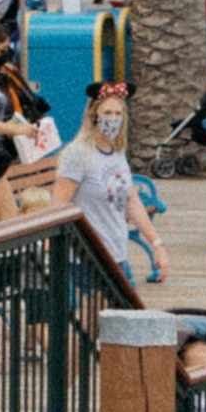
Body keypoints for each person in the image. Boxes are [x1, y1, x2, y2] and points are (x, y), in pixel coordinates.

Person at [59, 85, 167, 295]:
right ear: (94, 116)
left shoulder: (116, 153)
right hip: (88, 254)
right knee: (95, 316)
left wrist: (157, 244)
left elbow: (132, 201)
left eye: (118, 113)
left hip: (116, 251)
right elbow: (59, 204)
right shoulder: (78, 154)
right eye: (107, 113)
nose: (113, 119)